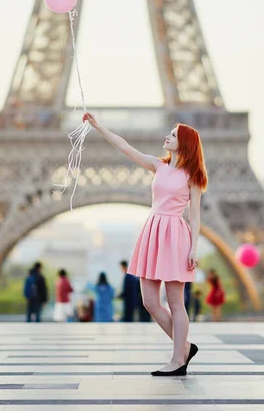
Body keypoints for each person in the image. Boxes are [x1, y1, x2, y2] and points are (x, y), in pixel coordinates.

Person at [83, 112, 207, 376]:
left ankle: (177, 360)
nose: (167, 136)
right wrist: (97, 125)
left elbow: (195, 216)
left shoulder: (192, 176)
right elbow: (125, 146)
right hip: (153, 231)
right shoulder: (158, 165)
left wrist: (194, 248)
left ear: (184, 143)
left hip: (175, 234)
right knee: (149, 300)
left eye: (173, 135)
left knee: (176, 302)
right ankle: (184, 347)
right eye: (169, 133)